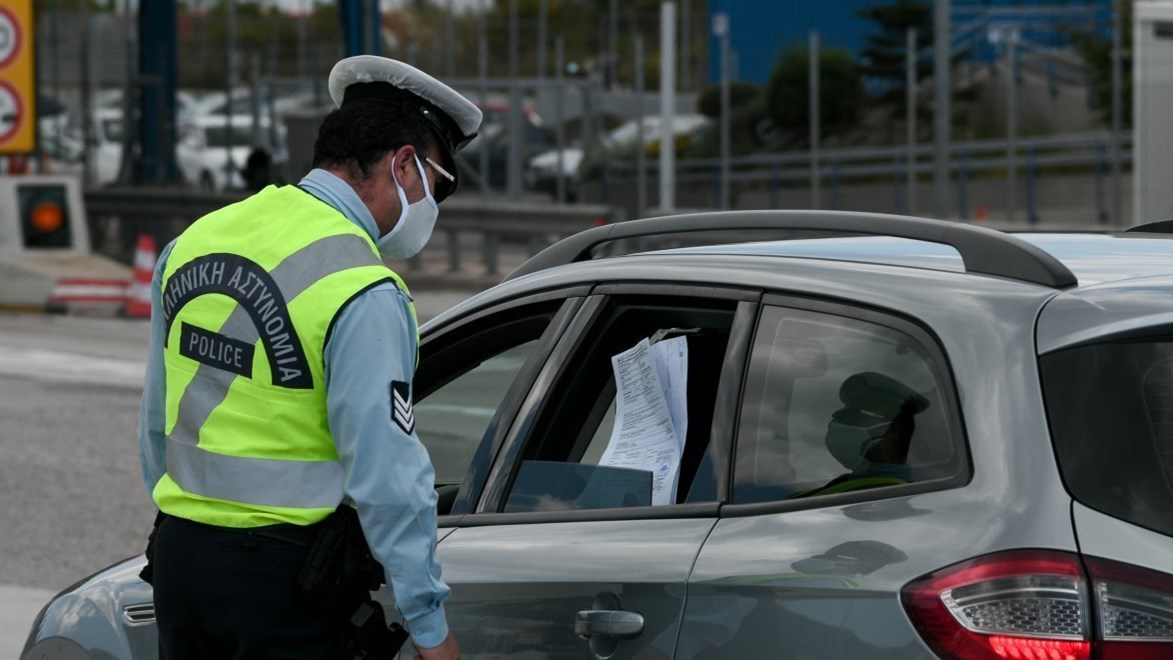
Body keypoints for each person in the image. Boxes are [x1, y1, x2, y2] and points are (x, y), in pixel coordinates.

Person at [136, 55, 480, 659]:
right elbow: (389, 478)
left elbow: (154, 426)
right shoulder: (361, 286)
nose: (436, 203)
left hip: (180, 566)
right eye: (440, 185)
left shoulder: (196, 239)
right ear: (402, 164)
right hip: (284, 584)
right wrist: (430, 628)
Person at [795, 371, 929, 498]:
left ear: (893, 431)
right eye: (841, 416)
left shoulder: (886, 497)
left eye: (855, 417)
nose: (839, 424)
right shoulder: (848, 484)